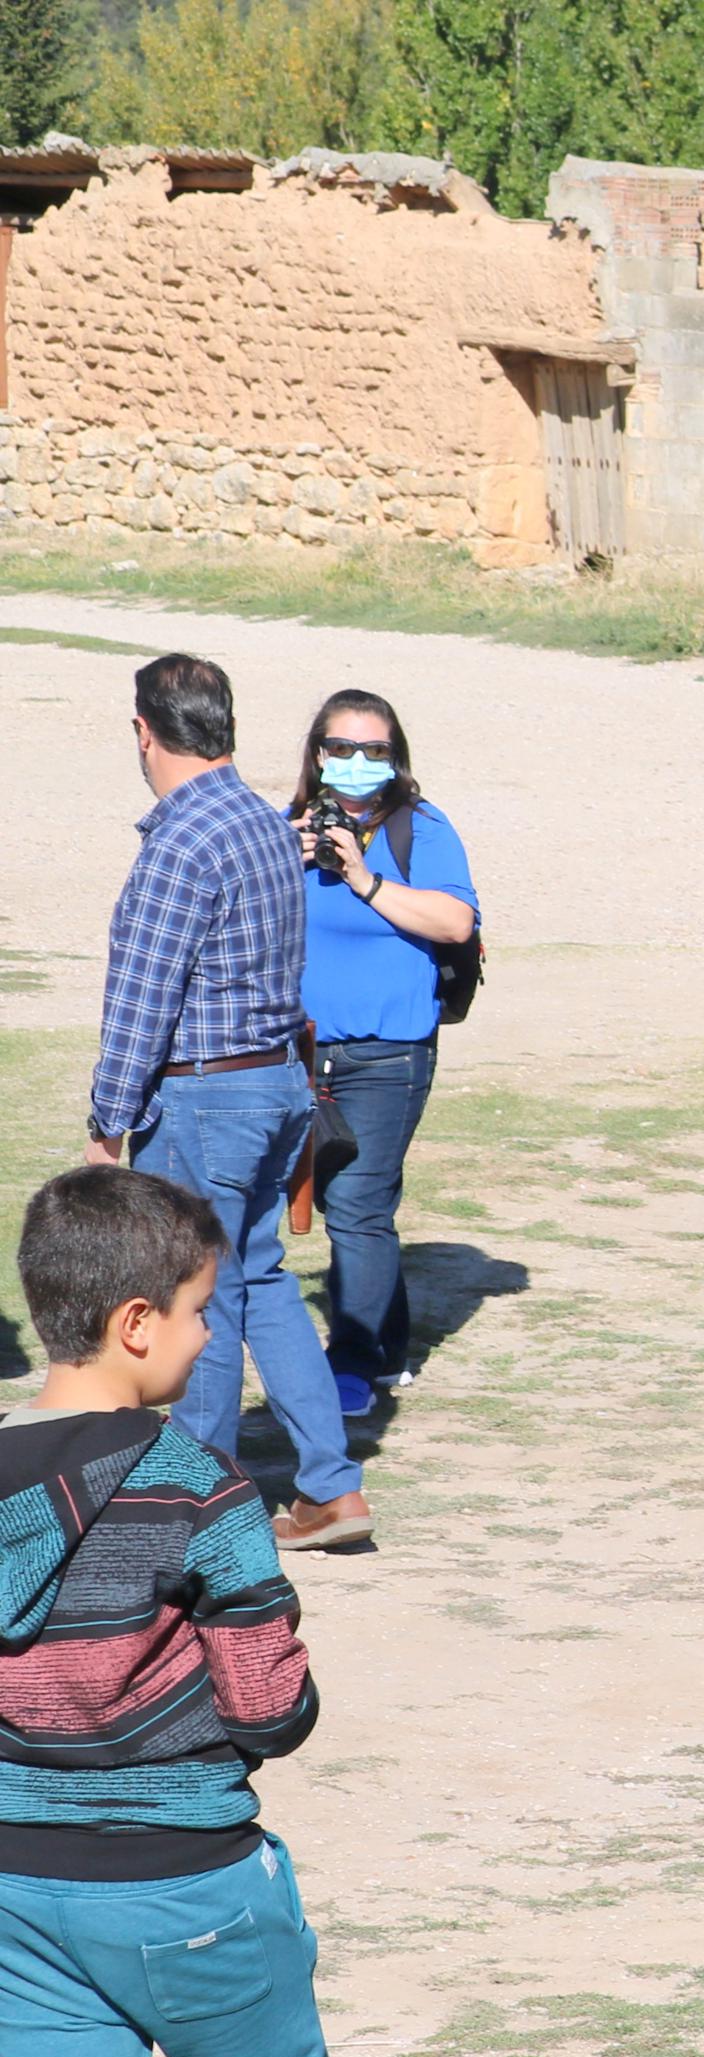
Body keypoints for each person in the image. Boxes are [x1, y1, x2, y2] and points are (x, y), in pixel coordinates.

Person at [0, 1165, 343, 2057]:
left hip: (21, 1880)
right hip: (186, 1874)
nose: (215, 1339)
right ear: (138, 1320)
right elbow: (271, 1705)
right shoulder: (200, 1487)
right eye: (205, 1313)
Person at [83, 653, 368, 1554]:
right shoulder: (258, 818)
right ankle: (330, 1485)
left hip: (207, 1095)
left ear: (144, 731)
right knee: (261, 1281)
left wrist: (106, 1124)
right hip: (277, 1081)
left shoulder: (181, 840)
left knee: (188, 1298)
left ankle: (195, 1508)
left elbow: (143, 995)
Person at [288, 689, 481, 1421]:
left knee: (359, 1206)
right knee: (346, 1203)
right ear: (317, 753)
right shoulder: (285, 830)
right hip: (302, 1053)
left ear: (396, 757)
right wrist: (289, 857)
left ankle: (354, 1362)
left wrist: (365, 877)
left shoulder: (419, 831)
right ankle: (388, 1345)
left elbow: (455, 919)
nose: (358, 762)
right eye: (343, 748)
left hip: (388, 1053)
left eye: (375, 750)